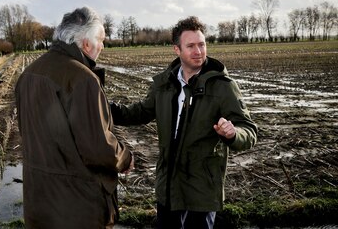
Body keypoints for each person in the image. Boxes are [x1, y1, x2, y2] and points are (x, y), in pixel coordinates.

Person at [110, 16, 257, 229]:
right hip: (168, 186)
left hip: (202, 189)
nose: (198, 51)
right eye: (191, 46)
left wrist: (234, 133)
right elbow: (139, 112)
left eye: (202, 44)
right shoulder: (164, 84)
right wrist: (104, 108)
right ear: (177, 50)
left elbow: (249, 130)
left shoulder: (223, 87)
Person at [15, 6, 134, 228]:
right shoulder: (83, 79)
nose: (103, 46)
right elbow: (97, 147)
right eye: (101, 40)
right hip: (77, 208)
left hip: (38, 202)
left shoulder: (28, 74)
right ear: (86, 44)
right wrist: (125, 157)